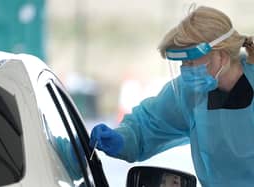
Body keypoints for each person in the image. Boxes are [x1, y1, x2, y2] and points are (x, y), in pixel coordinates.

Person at [89, 5, 254, 187]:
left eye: (191, 61)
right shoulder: (190, 94)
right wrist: (123, 138)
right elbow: (148, 125)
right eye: (183, 63)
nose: (186, 70)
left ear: (221, 57)